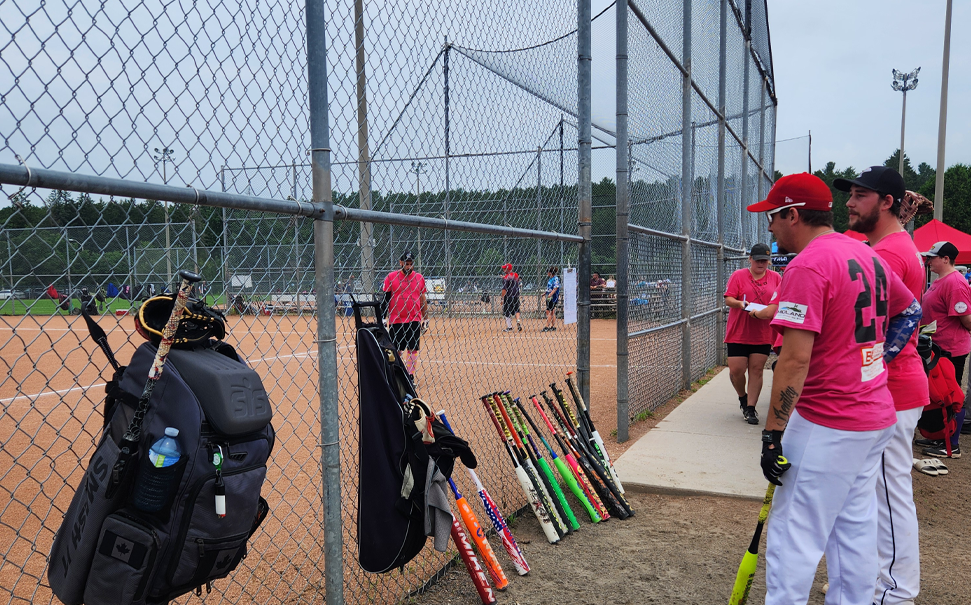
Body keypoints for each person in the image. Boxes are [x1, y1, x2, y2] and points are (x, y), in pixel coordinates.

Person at [749, 173, 920, 605]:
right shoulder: (866, 253)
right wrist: (877, 360)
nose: (768, 228)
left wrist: (772, 434)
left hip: (829, 420)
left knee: (795, 537)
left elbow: (793, 359)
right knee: (855, 531)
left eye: (773, 217)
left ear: (793, 214)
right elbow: (910, 310)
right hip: (874, 414)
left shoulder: (807, 263)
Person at [838, 165, 927, 605]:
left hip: (892, 388)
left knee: (890, 497)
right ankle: (874, 583)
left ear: (886, 202)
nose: (849, 203)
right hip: (887, 387)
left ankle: (896, 593)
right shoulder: (890, 245)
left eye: (860, 195)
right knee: (873, 495)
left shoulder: (890, 254)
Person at [918, 240, 971, 458]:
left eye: (933, 257)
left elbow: (966, 319)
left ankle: (952, 444)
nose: (928, 261)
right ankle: (941, 436)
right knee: (939, 394)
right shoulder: (942, 280)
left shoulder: (955, 282)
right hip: (938, 346)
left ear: (945, 259)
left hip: (951, 348)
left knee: (952, 395)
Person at [723, 242, 781, 425]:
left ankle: (750, 408)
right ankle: (742, 396)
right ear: (750, 259)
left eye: (764, 260)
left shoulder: (776, 278)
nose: (761, 264)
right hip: (739, 330)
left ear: (769, 261)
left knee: (756, 369)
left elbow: (779, 300)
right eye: (757, 260)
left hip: (762, 332)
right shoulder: (738, 276)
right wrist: (741, 304)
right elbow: (729, 299)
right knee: (736, 370)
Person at [382, 251, 428, 382]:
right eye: (406, 264)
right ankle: (395, 373)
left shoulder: (419, 277)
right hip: (396, 319)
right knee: (396, 348)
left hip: (414, 318)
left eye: (410, 264)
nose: (408, 267)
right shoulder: (391, 277)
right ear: (400, 263)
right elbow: (386, 298)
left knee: (413, 348)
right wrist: (383, 318)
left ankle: (410, 375)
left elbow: (422, 298)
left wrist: (425, 317)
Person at [500, 263, 522, 332]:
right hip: (516, 295)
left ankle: (509, 327)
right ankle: (518, 320)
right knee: (516, 309)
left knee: (507, 311)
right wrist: (505, 277)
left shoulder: (506, 278)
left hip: (508, 296)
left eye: (504, 268)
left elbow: (504, 290)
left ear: (507, 269)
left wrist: (502, 298)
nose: (503, 269)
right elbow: (512, 281)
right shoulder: (516, 275)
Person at [543, 266, 560, 332]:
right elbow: (549, 288)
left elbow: (555, 288)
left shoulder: (555, 279)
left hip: (553, 297)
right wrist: (545, 293)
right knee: (552, 311)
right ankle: (553, 326)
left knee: (548, 311)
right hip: (549, 296)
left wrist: (550, 294)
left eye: (548, 272)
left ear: (550, 273)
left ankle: (547, 326)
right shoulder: (550, 279)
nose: (547, 273)